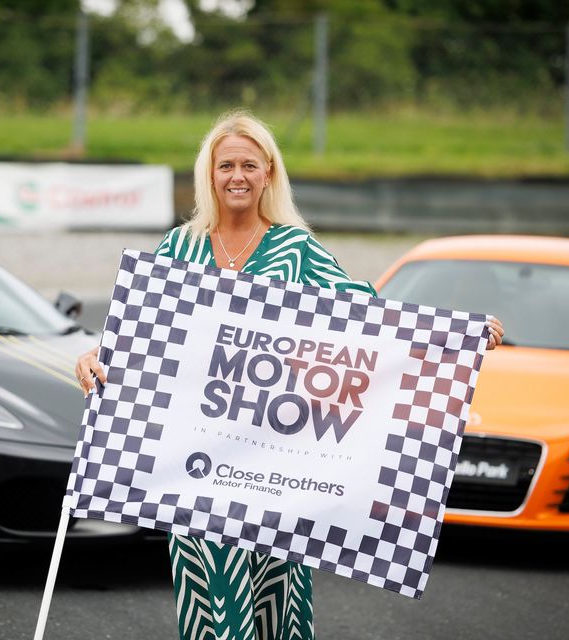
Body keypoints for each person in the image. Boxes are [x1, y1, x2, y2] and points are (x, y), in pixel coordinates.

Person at [75, 111, 505, 640]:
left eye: (249, 165)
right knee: (207, 603)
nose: (237, 176)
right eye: (226, 164)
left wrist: (454, 335)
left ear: (269, 174)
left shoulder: (295, 251)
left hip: (271, 471)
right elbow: (143, 332)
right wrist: (96, 354)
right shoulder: (176, 250)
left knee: (274, 601)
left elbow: (368, 317)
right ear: (208, 175)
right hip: (192, 469)